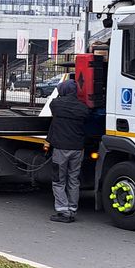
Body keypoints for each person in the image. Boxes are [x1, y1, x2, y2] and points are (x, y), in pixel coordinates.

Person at [46, 80, 90, 223]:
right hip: (77, 149)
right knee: (73, 180)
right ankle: (72, 209)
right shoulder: (83, 108)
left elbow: (54, 107)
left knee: (58, 180)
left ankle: (62, 210)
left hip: (61, 148)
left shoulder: (56, 104)